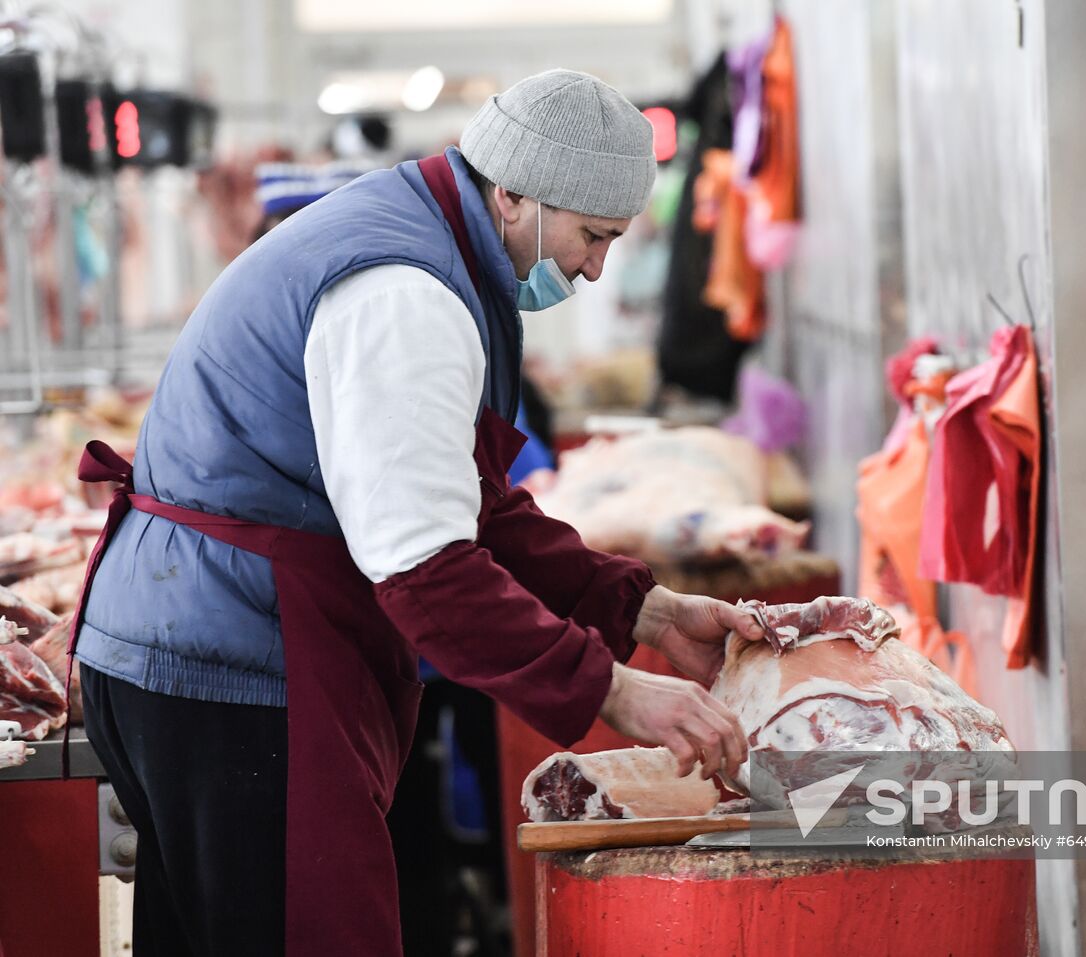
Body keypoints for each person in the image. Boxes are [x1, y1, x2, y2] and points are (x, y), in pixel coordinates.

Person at [71, 69, 760, 957]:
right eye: (592, 236)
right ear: (512, 193)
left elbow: (480, 508)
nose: (595, 267)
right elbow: (428, 573)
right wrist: (615, 690)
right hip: (236, 667)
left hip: (191, 649)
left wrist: (651, 613)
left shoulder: (426, 241)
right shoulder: (406, 292)